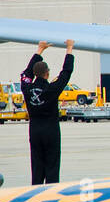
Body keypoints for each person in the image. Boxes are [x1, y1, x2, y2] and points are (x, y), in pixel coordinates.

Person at [20, 39, 74, 184]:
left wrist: (39, 50)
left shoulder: (27, 89)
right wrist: (69, 48)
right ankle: (50, 195)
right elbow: (66, 73)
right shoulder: (52, 89)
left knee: (37, 167)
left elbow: (25, 75)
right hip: (51, 131)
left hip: (35, 131)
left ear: (35, 74)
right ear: (47, 74)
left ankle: (35, 194)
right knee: (52, 167)